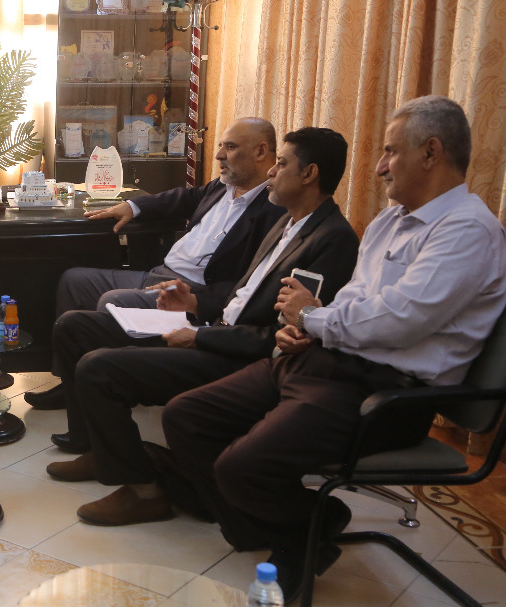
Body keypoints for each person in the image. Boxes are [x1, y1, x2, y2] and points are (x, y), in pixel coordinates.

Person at [161, 96, 506, 600]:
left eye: (391, 151)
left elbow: (400, 319)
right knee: (186, 417)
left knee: (240, 468)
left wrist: (312, 318)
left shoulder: (467, 231)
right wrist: (308, 329)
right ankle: (303, 525)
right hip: (326, 364)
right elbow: (355, 301)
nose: (381, 166)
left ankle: (301, 531)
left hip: (388, 394)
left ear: (431, 152)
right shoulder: (390, 222)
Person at [45, 127, 359, 514]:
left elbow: (281, 338)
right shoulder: (289, 223)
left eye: (281, 164)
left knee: (99, 368)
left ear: (309, 174)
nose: (272, 173)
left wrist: (199, 337)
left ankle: (145, 493)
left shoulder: (331, 239)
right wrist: (194, 303)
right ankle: (98, 449)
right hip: (212, 326)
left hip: (234, 354)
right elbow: (244, 293)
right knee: (74, 327)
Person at [26, 117, 286, 410]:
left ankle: (109, 385)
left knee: (113, 301)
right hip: (159, 273)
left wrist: (197, 299)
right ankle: (70, 382)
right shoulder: (224, 187)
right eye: (221, 146)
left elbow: (249, 282)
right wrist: (133, 206)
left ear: (261, 151)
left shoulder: (274, 209)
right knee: (74, 280)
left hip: (189, 291)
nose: (219, 155)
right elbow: (185, 197)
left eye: (231, 147)